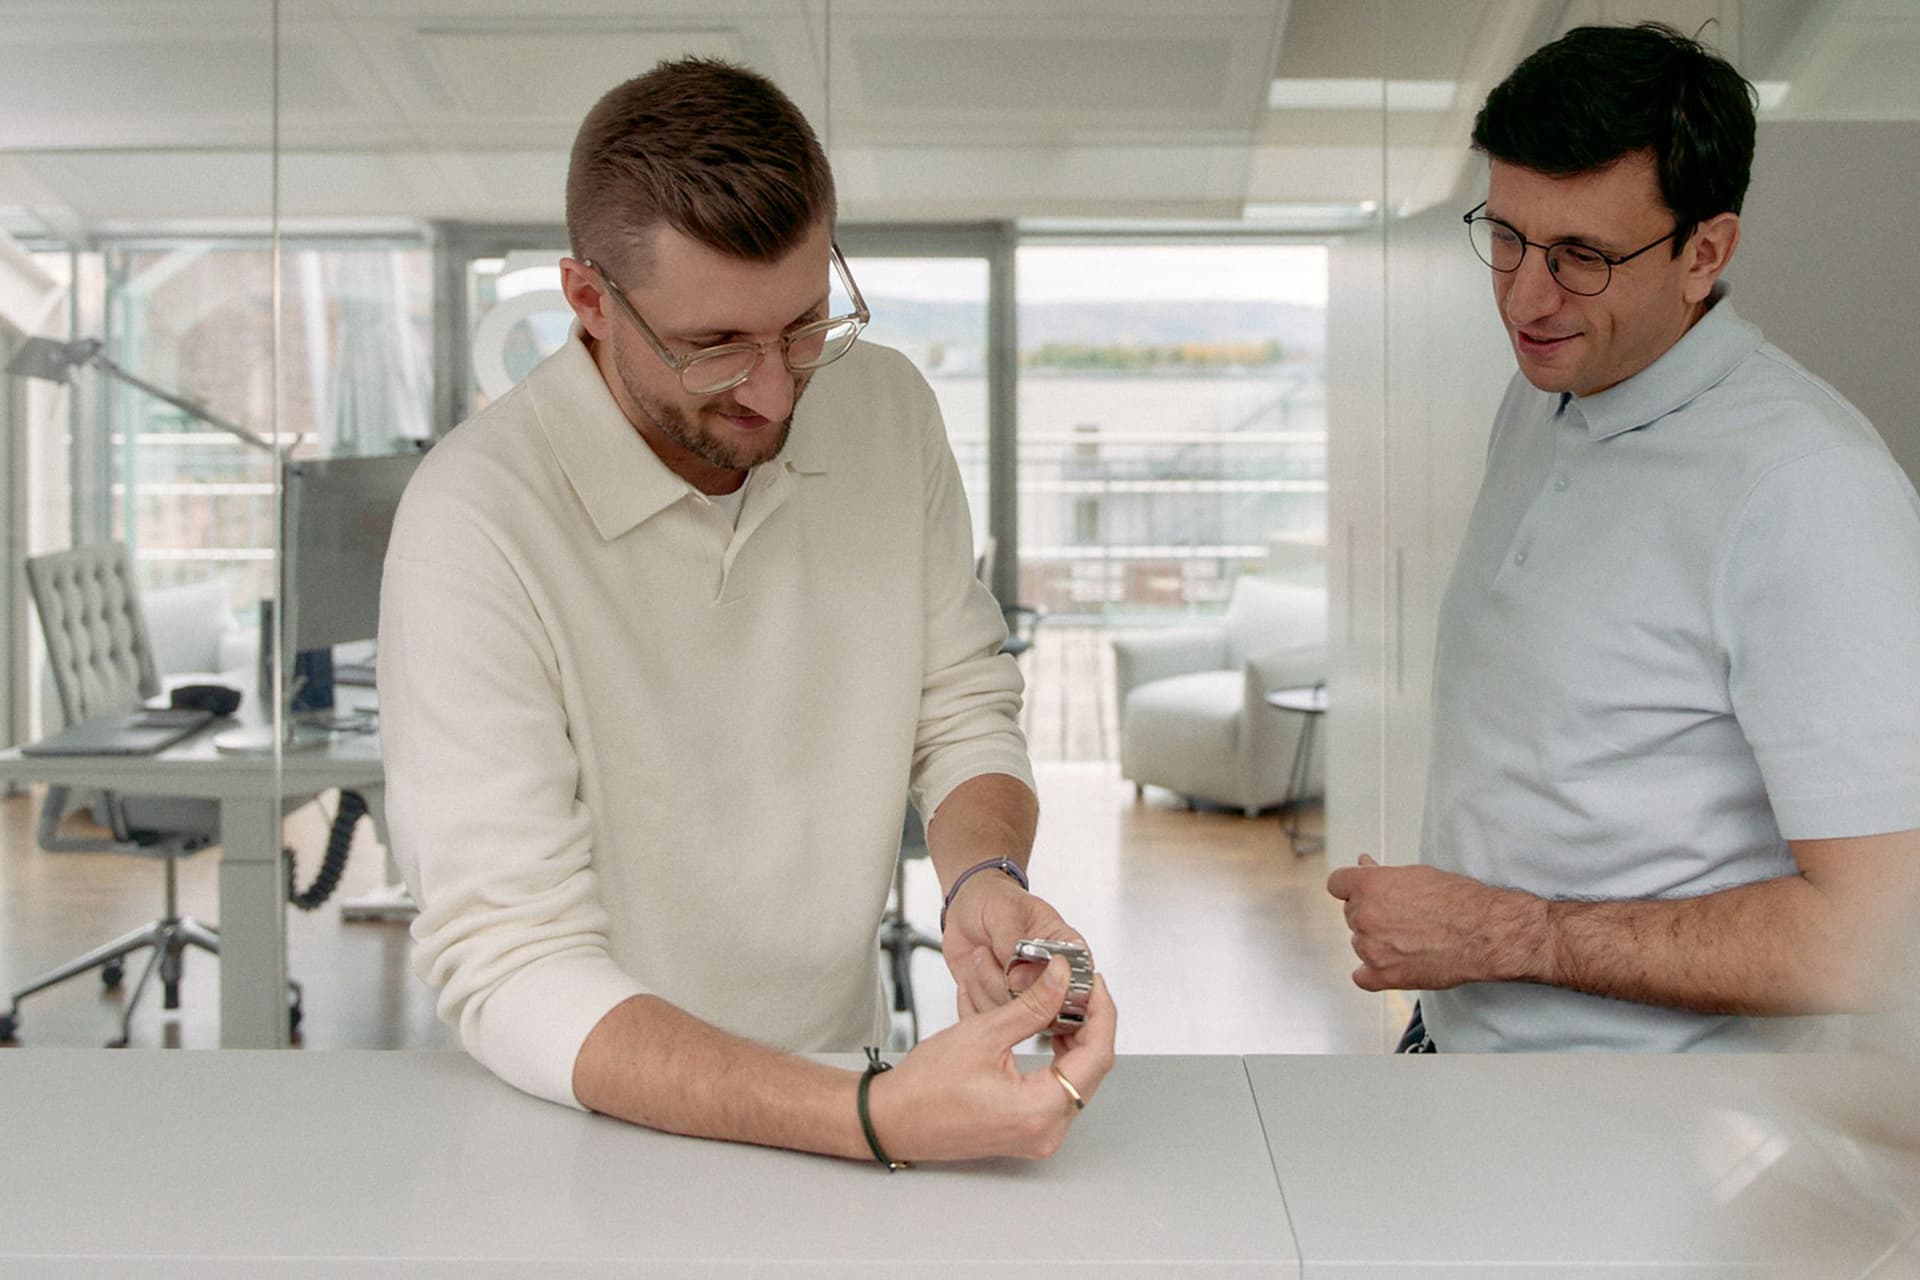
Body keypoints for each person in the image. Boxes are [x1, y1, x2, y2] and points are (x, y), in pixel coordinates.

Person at [377, 56, 1114, 1162]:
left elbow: (961, 700)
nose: (774, 391)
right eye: (715, 346)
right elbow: (511, 959)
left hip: (848, 1083)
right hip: (586, 1121)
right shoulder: (472, 517)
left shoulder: (886, 408)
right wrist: (865, 1117)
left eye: (806, 322)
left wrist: (983, 876)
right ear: (589, 301)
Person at [1328, 22, 1920, 1052]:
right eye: (1506, 236)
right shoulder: (1546, 395)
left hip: (1655, 1119)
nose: (1525, 296)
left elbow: (1880, 938)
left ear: (1706, 252)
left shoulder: (1807, 490)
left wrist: (1503, 934)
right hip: (1463, 1056)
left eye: (1583, 257)